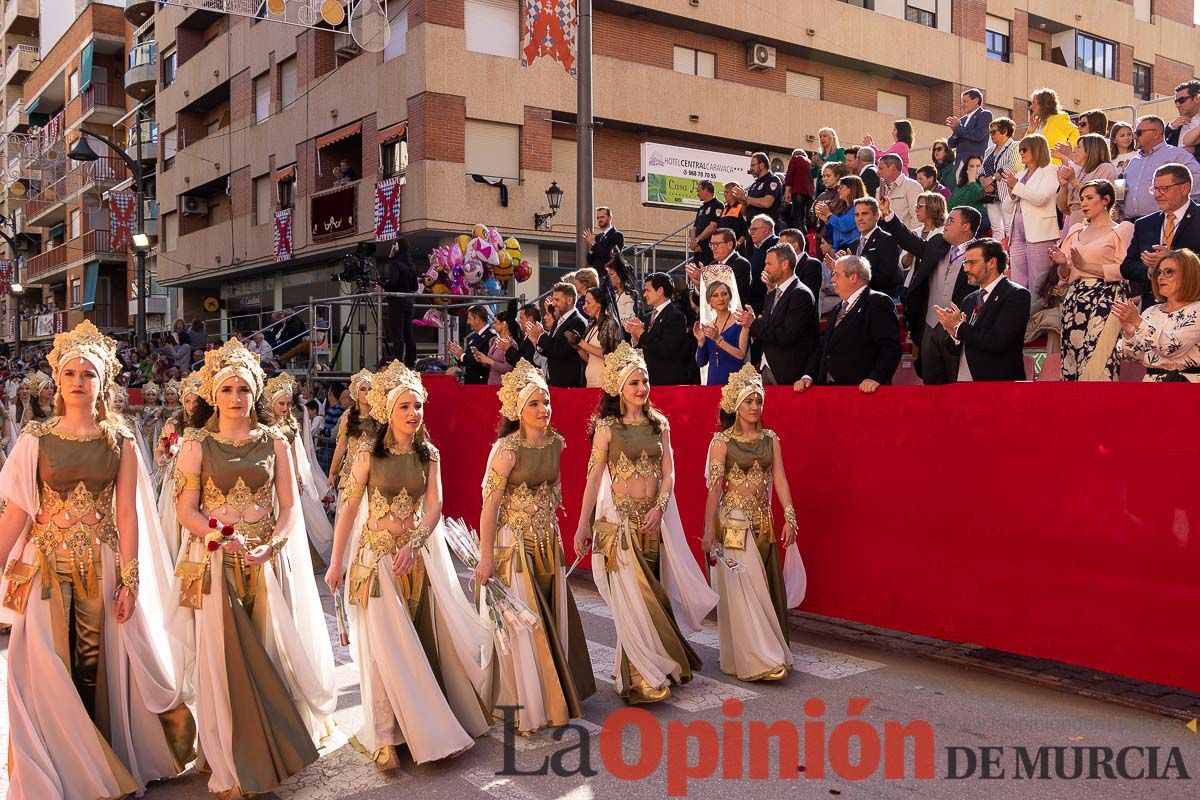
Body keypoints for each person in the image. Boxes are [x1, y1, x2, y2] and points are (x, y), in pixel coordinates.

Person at [0, 321, 193, 799]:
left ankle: (97, 763)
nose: (78, 381)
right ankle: (57, 768)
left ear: (102, 381)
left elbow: (126, 515)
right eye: (70, 372)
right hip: (46, 567)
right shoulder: (34, 438)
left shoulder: (120, 440)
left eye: (88, 373)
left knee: (94, 667)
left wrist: (130, 580)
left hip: (101, 568)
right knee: (41, 667)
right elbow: (17, 513)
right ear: (57, 381)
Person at [173, 338, 335, 797]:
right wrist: (218, 537)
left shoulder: (276, 441)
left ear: (255, 393)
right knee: (224, 660)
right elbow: (186, 508)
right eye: (227, 390)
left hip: (265, 562)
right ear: (213, 395)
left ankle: (272, 748)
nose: (236, 398)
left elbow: (288, 508)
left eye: (244, 389)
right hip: (216, 562)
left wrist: (274, 547)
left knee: (268, 651)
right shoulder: (196, 444)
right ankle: (230, 757)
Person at [326, 361, 490, 767]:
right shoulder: (366, 454)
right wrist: (335, 564)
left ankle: (418, 725)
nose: (413, 413)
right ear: (387, 410)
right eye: (404, 407)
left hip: (415, 559)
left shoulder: (428, 453)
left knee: (417, 640)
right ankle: (385, 736)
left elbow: (435, 505)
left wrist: (415, 544)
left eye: (417, 406)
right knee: (387, 649)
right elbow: (347, 512)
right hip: (376, 561)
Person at [572, 344, 715, 703]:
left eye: (645, 380)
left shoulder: (659, 424)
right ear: (619, 388)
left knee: (653, 595)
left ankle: (653, 664)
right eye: (634, 382)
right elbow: (593, 479)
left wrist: (661, 508)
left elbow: (670, 473)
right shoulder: (607, 428)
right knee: (633, 600)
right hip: (619, 525)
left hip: (652, 523)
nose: (642, 387)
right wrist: (582, 525)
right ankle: (640, 676)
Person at [475, 361, 596, 733]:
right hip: (515, 545)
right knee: (526, 623)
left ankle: (553, 691)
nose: (544, 409)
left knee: (550, 616)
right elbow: (490, 504)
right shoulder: (506, 450)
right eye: (534, 404)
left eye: (546, 402)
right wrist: (485, 557)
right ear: (517, 410)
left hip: (548, 541)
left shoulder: (555, 443)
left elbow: (553, 494)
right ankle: (528, 703)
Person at [702, 364, 798, 683]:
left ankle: (761, 650)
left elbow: (780, 479)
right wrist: (707, 531)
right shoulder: (722, 442)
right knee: (745, 587)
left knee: (763, 590)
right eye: (748, 401)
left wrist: (789, 515)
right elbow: (715, 488)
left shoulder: (772, 440)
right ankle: (758, 659)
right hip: (733, 524)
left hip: (763, 522)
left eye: (758, 400)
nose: (755, 407)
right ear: (735, 405)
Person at [879, 197, 980, 384]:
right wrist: (889, 216)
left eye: (951, 221)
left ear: (966, 227)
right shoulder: (937, 244)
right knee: (930, 377)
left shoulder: (981, 252)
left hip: (958, 327)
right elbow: (910, 241)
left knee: (955, 379)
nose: (946, 224)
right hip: (930, 323)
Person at [1048, 180, 1133, 381]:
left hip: (1107, 298)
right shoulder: (1076, 229)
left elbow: (1125, 269)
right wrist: (1062, 264)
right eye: (1081, 199)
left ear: (1106, 200)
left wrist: (1088, 267)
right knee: (1071, 355)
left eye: (1089, 198)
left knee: (1099, 357)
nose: (1084, 203)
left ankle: (1100, 408)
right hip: (1075, 298)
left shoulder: (1121, 230)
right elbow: (1066, 275)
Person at [796, 255, 901, 393]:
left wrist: (876, 377)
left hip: (862, 393)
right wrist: (808, 375)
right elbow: (823, 346)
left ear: (853, 277)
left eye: (836, 275)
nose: (832, 279)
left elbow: (890, 346)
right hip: (829, 390)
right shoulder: (839, 307)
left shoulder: (878, 302)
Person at [934, 239, 1032, 382]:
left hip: (999, 386)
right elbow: (954, 349)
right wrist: (953, 333)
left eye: (972, 263)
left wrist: (959, 327)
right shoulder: (969, 299)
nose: (966, 269)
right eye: (965, 263)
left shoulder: (1016, 295)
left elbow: (999, 341)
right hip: (964, 383)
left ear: (992, 263)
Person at [267, 372, 336, 566]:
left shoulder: (291, 423)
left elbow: (296, 451)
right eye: (281, 404)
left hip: (289, 474)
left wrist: (297, 476)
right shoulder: (264, 425)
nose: (285, 408)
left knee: (296, 515)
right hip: (271, 475)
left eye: (288, 404)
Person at [734, 243, 819, 386]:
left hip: (788, 374)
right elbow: (768, 329)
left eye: (769, 264)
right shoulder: (773, 294)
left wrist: (754, 323)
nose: (765, 268)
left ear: (785, 264)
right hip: (766, 369)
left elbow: (787, 335)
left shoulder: (801, 294)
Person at [1120, 163, 1200, 307]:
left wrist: (1176, 260)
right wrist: (1152, 271)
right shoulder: (1144, 224)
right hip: (1153, 307)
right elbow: (1127, 267)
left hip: (1194, 305)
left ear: (1185, 188)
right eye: (1155, 189)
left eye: (1164, 189)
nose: (1157, 195)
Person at [1114, 248, 1200, 381]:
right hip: (1151, 387)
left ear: (1189, 275)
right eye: (1158, 272)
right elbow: (1133, 356)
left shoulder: (1197, 310)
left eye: (1169, 272)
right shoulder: (1151, 311)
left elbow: (1170, 348)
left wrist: (1139, 322)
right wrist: (1129, 333)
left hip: (1188, 388)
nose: (1161, 277)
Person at [1003, 133, 1060, 299]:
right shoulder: (1020, 175)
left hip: (1040, 233)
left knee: (1039, 279)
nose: (1021, 153)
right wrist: (1012, 194)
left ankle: (1037, 316)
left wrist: (1017, 187)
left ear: (1037, 149)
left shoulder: (1050, 171)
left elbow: (1041, 198)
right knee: (1018, 281)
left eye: (1025, 149)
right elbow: (1007, 207)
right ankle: (1021, 313)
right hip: (1017, 234)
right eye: (1020, 150)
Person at [1120, 115, 1200, 222]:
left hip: (1164, 222)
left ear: (1155, 133)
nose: (1134, 137)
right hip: (1130, 223)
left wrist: (1174, 196)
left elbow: (1197, 182)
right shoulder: (1134, 161)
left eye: (1139, 133)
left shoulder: (1177, 155)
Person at [626, 272, 692, 386]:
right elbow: (644, 347)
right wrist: (635, 337)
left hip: (666, 382)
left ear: (660, 290)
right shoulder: (647, 317)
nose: (645, 294)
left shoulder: (676, 316)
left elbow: (667, 349)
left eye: (648, 290)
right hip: (648, 380)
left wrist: (641, 334)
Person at [326, 368, 379, 497]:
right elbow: (341, 446)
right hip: (352, 470)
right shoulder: (348, 416)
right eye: (363, 389)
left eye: (370, 389)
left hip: (375, 470)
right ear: (356, 392)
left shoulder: (380, 416)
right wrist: (332, 473)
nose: (366, 393)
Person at [527, 282, 587, 388]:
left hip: (569, 384)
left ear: (569, 300)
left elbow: (561, 350)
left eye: (557, 300)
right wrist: (537, 341)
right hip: (555, 383)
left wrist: (541, 336)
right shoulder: (559, 320)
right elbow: (551, 350)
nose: (553, 304)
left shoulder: (577, 322)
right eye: (553, 299)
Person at [694, 279, 749, 386]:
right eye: (715, 295)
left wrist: (719, 340)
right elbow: (701, 362)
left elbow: (741, 356)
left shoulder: (741, 321)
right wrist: (700, 342)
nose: (721, 298)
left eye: (724, 294)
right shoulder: (708, 326)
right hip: (713, 380)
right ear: (709, 301)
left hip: (735, 381)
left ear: (730, 297)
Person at [1057, 133, 1118, 229]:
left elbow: (1096, 195)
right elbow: (1063, 208)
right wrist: (1063, 186)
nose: (1074, 151)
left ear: (1090, 150)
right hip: (1074, 225)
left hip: (1095, 226)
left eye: (1078, 147)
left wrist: (1073, 180)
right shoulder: (1078, 173)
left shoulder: (1105, 168)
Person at [848, 197, 903, 297]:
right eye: (856, 215)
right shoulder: (853, 245)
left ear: (877, 216)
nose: (860, 218)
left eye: (864, 213)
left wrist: (855, 267)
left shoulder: (887, 240)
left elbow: (885, 279)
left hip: (881, 301)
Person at [979, 117, 1020, 241]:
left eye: (994, 132)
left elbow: (1011, 167)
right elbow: (980, 170)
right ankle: (998, 254)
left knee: (1009, 227)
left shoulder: (1015, 146)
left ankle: (1010, 256)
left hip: (1006, 192)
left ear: (1005, 131)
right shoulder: (989, 150)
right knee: (996, 228)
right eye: (990, 132)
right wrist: (984, 182)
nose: (991, 135)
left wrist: (991, 179)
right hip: (990, 194)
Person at [574, 286, 622, 388]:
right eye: (585, 302)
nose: (584, 306)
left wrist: (582, 343)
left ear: (599, 304)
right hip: (590, 381)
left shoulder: (610, 323)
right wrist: (577, 346)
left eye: (588, 302)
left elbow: (610, 354)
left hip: (604, 381)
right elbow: (588, 358)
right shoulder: (591, 324)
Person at [382, 238, 419, 367]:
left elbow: (392, 283)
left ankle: (398, 361)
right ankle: (410, 361)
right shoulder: (411, 265)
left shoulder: (395, 263)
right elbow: (415, 287)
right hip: (409, 301)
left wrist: (382, 284)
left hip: (396, 302)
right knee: (408, 332)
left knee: (397, 332)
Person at [946, 88, 993, 179]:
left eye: (965, 101)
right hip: (959, 163)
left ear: (976, 100)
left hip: (974, 163)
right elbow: (951, 144)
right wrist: (955, 131)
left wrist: (958, 127)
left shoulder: (985, 115)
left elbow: (978, 135)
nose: (962, 105)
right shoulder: (962, 120)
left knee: (972, 190)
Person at [815, 175, 867, 253]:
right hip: (839, 247)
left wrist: (829, 214)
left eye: (841, 187)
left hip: (851, 247)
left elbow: (844, 226)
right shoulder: (843, 208)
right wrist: (826, 220)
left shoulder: (858, 208)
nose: (838, 190)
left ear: (851, 189)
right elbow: (834, 232)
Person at [1027, 87, 1079, 166]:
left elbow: (1076, 132)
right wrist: (1030, 131)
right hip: (1036, 168)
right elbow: (1024, 147)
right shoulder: (1037, 123)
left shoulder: (1058, 119)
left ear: (1043, 104)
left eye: (1034, 103)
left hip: (1053, 167)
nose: (1031, 107)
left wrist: (1070, 151)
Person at [448, 305, 496, 386]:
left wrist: (462, 355)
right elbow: (467, 361)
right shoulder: (473, 337)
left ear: (477, 319)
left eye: (469, 318)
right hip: (471, 382)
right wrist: (458, 354)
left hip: (482, 383)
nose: (467, 322)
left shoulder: (491, 336)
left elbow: (482, 361)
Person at [735, 152, 784, 227]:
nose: (751, 168)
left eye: (753, 165)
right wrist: (743, 202)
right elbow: (744, 213)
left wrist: (745, 197)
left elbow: (767, 203)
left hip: (765, 227)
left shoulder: (772, 180)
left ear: (761, 165)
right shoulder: (754, 185)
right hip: (751, 226)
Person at [584, 206, 625, 273]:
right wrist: (591, 248)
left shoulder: (617, 235)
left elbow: (609, 257)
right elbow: (590, 262)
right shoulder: (597, 237)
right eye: (598, 218)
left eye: (602, 217)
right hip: (597, 277)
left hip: (608, 278)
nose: (600, 220)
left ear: (610, 218)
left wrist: (594, 244)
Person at [691, 180, 724, 262]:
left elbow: (713, 226)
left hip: (709, 250)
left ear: (706, 190)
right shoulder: (701, 208)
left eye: (699, 191)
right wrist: (693, 243)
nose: (697, 194)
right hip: (698, 250)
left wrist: (697, 240)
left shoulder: (717, 205)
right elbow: (694, 228)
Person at [1165, 80, 1200, 156]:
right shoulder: (1175, 126)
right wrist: (1170, 127)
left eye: (1181, 100)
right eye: (1176, 102)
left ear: (1197, 98)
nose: (1177, 105)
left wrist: (1196, 150)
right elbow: (1157, 145)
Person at [782, 149, 814, 232]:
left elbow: (789, 175)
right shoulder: (809, 162)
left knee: (798, 220)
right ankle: (807, 239)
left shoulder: (795, 159)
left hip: (798, 192)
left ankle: (803, 241)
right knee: (806, 220)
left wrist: (787, 192)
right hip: (810, 194)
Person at [948, 156, 988, 222]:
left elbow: (977, 195)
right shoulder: (960, 186)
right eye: (971, 166)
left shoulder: (984, 185)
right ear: (966, 169)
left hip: (976, 220)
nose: (975, 169)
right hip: (957, 220)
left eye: (978, 166)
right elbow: (950, 205)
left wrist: (972, 181)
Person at [606, 254, 642, 326]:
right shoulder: (612, 295)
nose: (609, 277)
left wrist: (610, 319)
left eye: (611, 274)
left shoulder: (630, 295)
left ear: (620, 276)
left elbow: (630, 319)